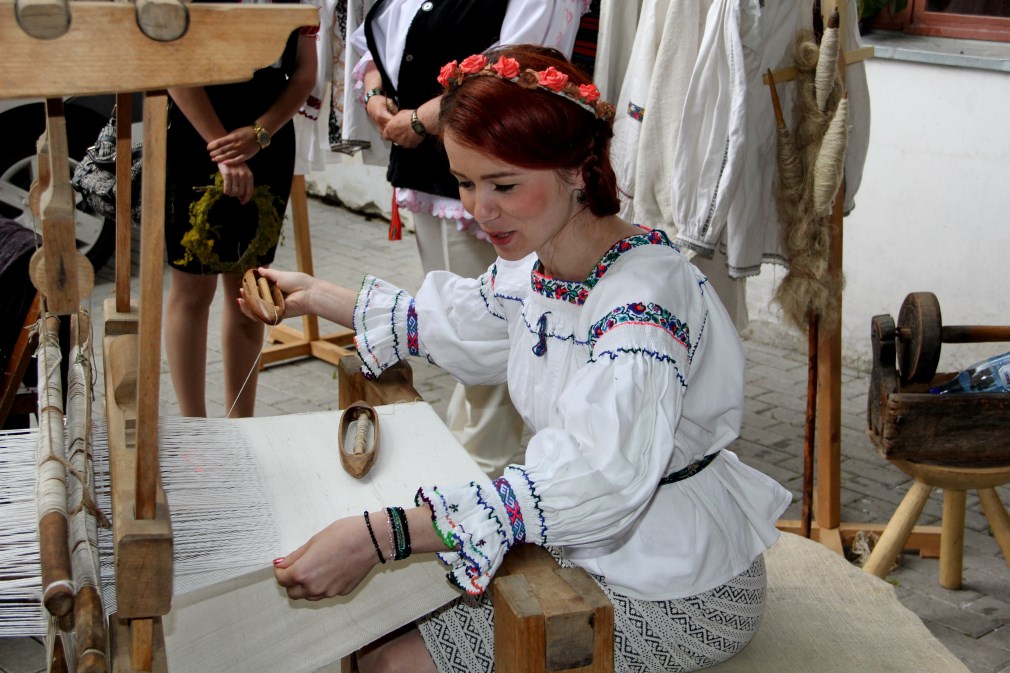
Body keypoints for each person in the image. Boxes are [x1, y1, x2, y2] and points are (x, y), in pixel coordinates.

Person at [248, 46, 791, 673]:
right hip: (577, 543)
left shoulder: (643, 303)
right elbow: (458, 325)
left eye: (504, 185)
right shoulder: (539, 266)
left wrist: (384, 535)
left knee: (391, 662)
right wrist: (312, 295)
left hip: (674, 584)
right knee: (372, 633)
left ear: (578, 170)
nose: (481, 209)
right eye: (465, 182)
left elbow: (602, 475)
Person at [348, 0, 591, 476]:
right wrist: (375, 93)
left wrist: (420, 120)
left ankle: (478, 468)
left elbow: (517, 66)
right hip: (438, 173)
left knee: (498, 329)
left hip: (499, 175)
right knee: (463, 318)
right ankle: (464, 459)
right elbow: (378, 38)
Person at [162, 2, 318, 418]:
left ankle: (241, 424)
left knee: (249, 290)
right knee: (193, 289)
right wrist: (224, 150)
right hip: (197, 131)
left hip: (267, 135)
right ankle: (194, 426)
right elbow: (173, 65)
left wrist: (261, 133)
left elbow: (304, 73)